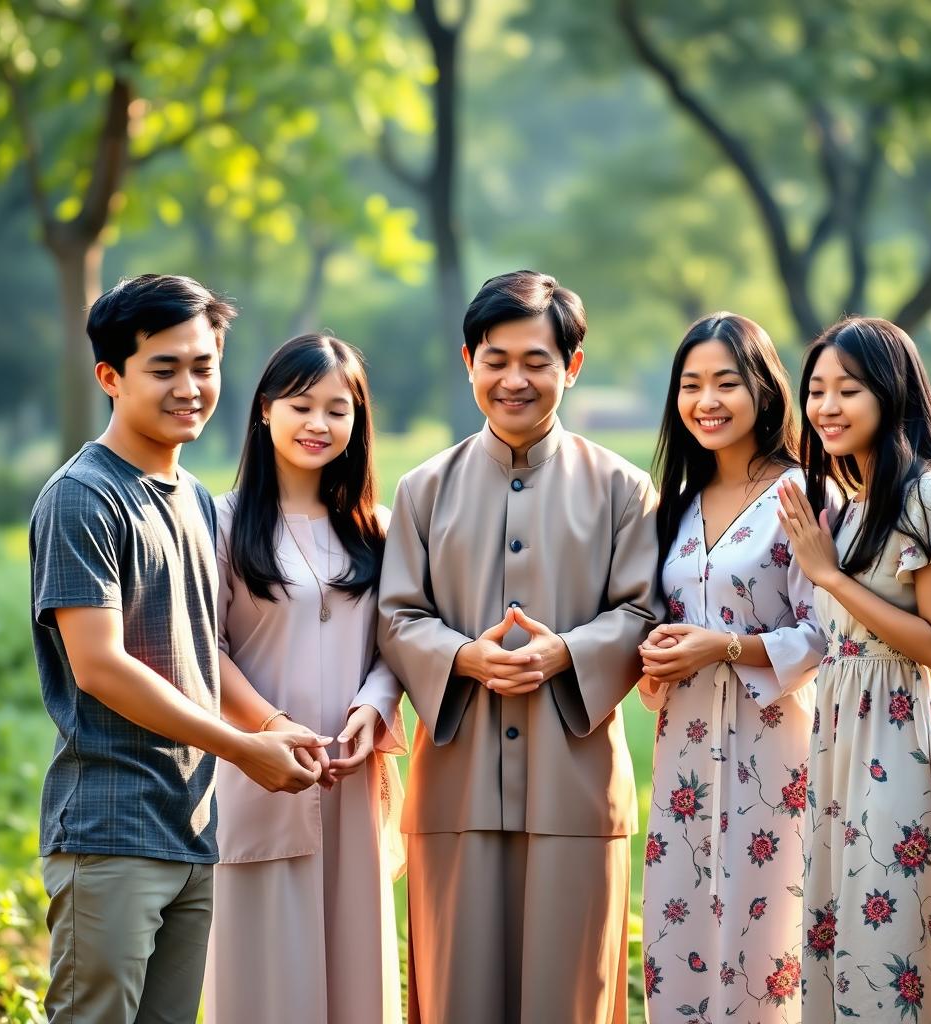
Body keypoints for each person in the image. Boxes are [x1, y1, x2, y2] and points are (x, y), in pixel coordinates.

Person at [29, 275, 330, 1024]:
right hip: (109, 829)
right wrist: (238, 749)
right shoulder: (83, 497)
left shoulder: (194, 498)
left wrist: (267, 726)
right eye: (164, 368)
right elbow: (99, 667)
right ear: (110, 376)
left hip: (191, 829)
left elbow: (199, 649)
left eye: (204, 365)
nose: (190, 387)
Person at [377, 270, 661, 1024]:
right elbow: (397, 615)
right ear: (468, 360)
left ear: (571, 366)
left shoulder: (624, 490)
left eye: (536, 360)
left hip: (576, 786)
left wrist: (565, 653)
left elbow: (644, 611)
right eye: (495, 359)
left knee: (570, 999)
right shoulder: (422, 490)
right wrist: (463, 658)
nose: (514, 379)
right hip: (456, 786)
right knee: (454, 997)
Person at [778, 316, 931, 1022]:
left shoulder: (927, 494)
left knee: (896, 938)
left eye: (849, 389)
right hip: (844, 742)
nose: (827, 407)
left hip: (906, 741)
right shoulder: (848, 504)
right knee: (846, 937)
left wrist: (830, 577)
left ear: (892, 393)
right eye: (816, 390)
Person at [204, 333, 406, 1024]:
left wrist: (372, 709)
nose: (320, 424)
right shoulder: (220, 526)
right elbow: (206, 649)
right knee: (265, 983)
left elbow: (395, 644)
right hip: (256, 776)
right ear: (264, 411)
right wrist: (271, 725)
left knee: (358, 979)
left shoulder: (378, 532)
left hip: (352, 780)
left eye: (338, 409)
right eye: (300, 405)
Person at [638, 312, 824, 1022]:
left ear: (764, 390)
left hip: (777, 748)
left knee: (766, 931)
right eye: (690, 385)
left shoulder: (804, 495)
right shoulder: (675, 509)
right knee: (679, 921)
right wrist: (656, 652)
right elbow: (662, 615)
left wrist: (726, 647)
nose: (706, 401)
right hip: (685, 747)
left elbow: (826, 634)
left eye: (725, 382)